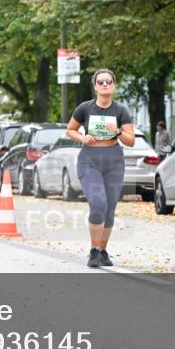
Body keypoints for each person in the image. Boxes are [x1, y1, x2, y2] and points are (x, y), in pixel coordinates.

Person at [65, 69, 136, 268]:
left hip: (114, 160)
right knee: (98, 204)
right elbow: (70, 129)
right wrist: (82, 137)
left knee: (110, 208)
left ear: (113, 85)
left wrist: (119, 131)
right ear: (95, 86)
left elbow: (130, 141)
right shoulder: (85, 108)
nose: (105, 85)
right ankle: (94, 250)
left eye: (108, 81)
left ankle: (103, 250)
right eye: (101, 82)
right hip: (90, 159)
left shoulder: (120, 110)